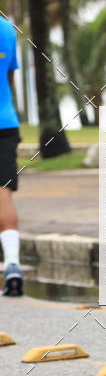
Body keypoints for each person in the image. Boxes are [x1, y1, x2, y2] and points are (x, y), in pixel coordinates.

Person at [0, 16, 23, 297]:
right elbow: (9, 77)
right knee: (3, 193)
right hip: (6, 122)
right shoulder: (6, 28)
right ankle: (14, 264)